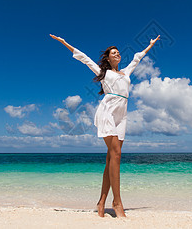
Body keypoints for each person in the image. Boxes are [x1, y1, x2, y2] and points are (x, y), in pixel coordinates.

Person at [50, 34, 160, 217]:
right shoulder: (103, 73)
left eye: (118, 52)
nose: (117, 54)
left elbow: (137, 58)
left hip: (122, 115)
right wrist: (64, 43)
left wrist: (150, 45)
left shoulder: (125, 72)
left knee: (111, 159)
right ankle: (117, 203)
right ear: (108, 58)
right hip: (108, 111)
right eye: (113, 53)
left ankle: (101, 202)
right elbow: (84, 58)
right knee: (116, 154)